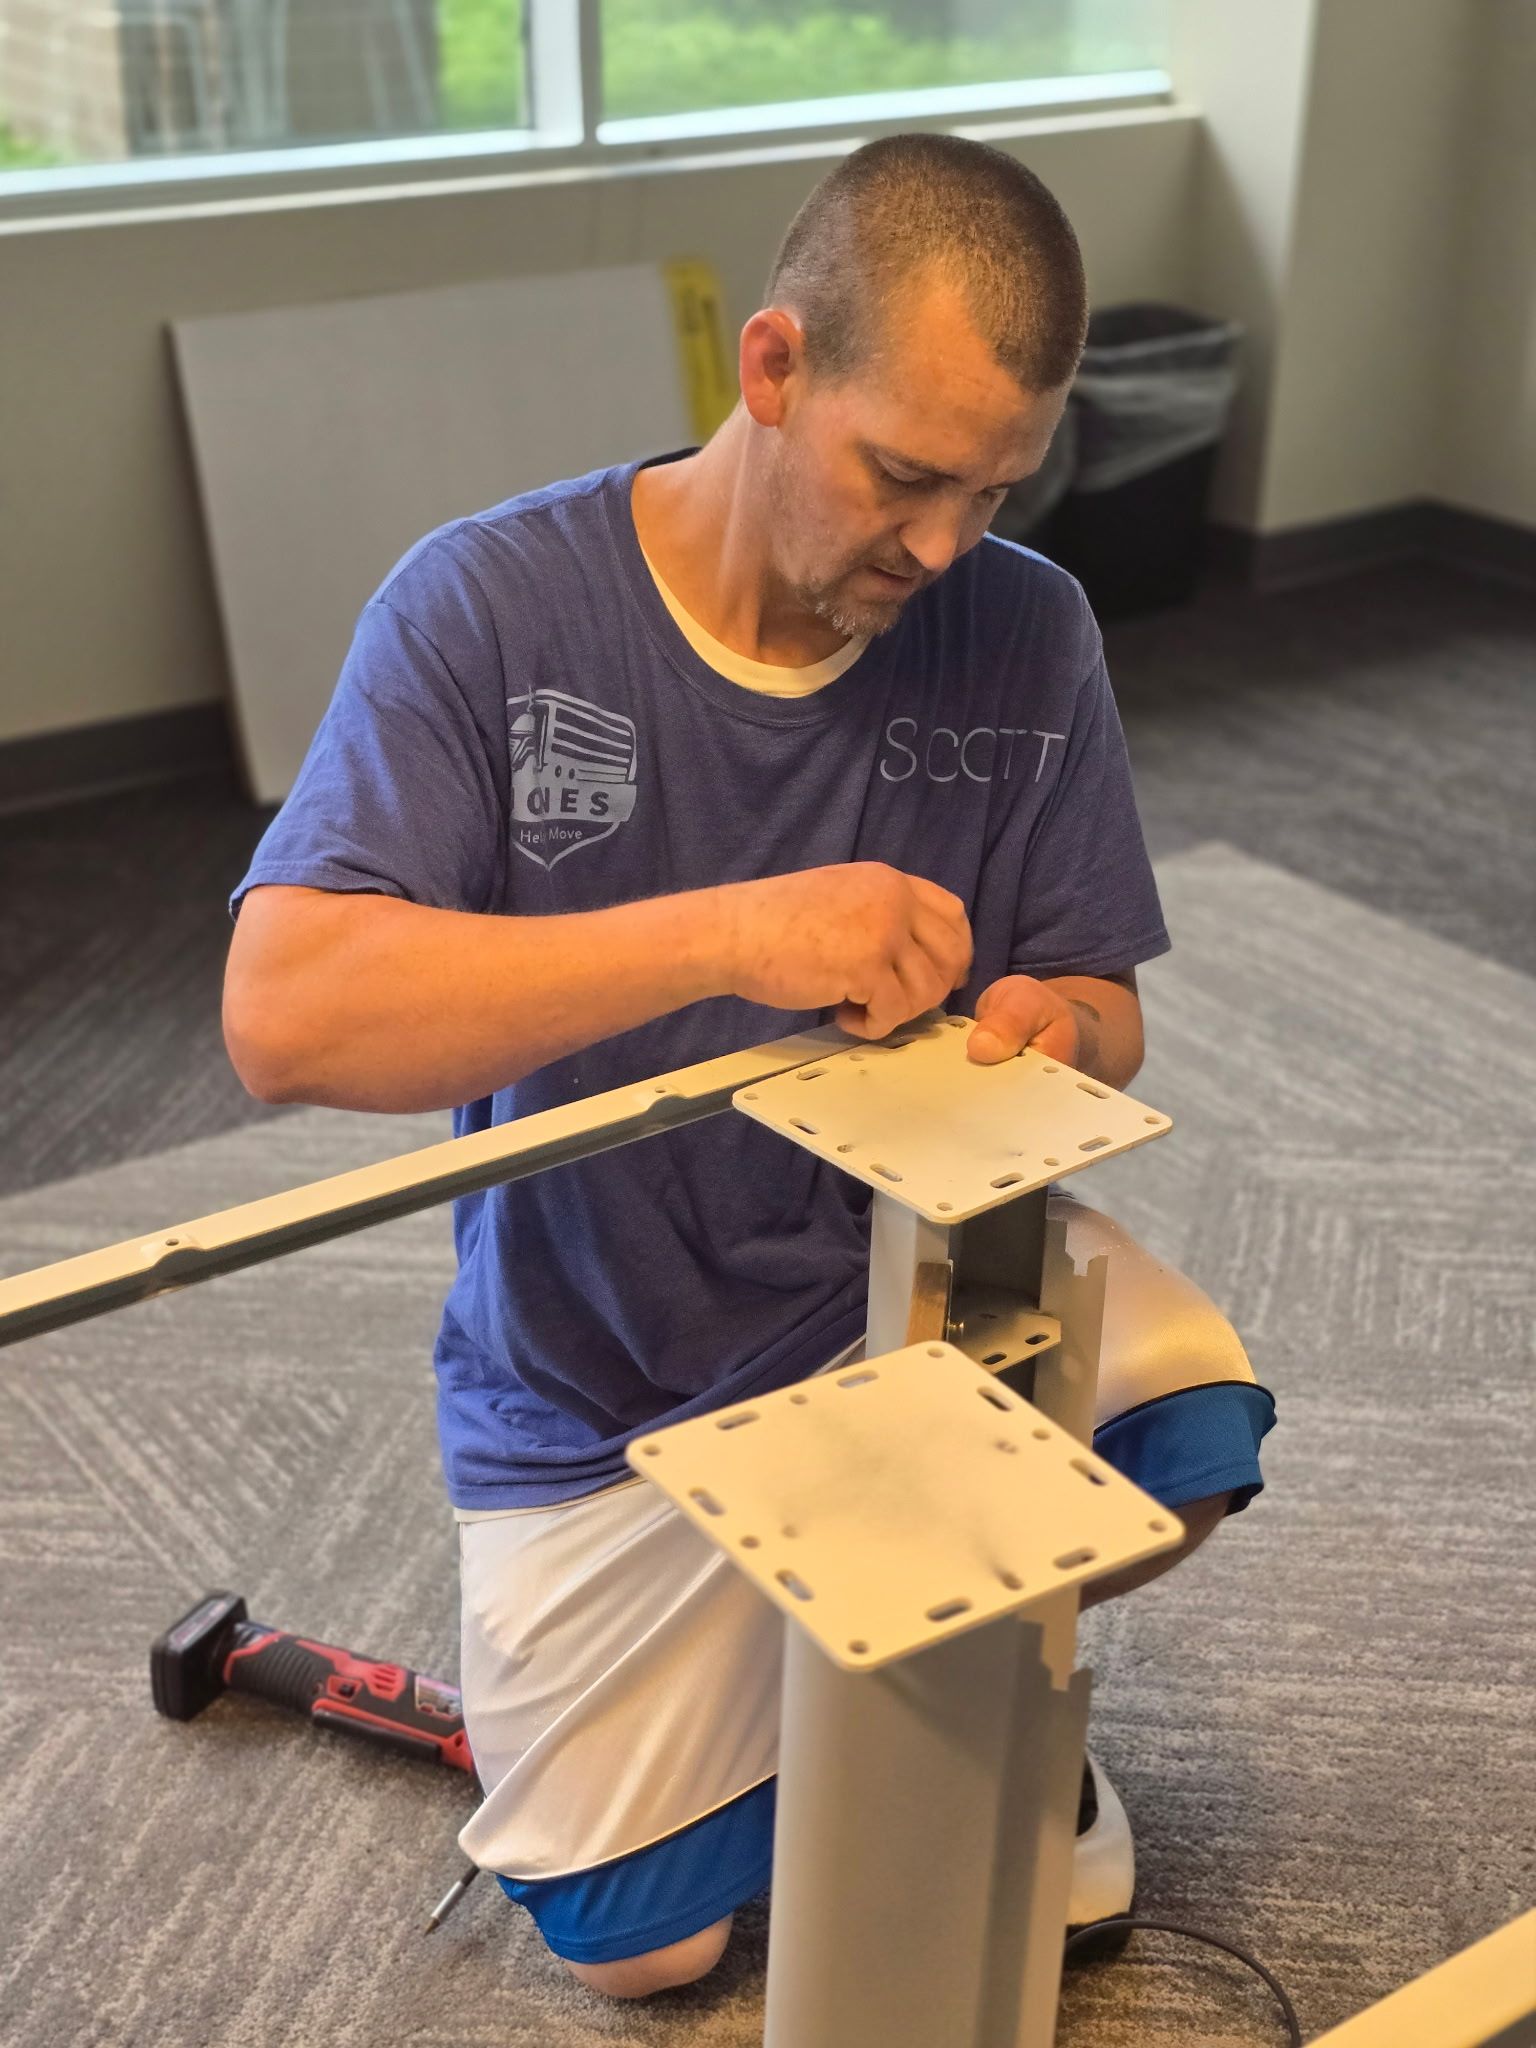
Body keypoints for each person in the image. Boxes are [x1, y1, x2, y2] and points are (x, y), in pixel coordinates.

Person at [224, 132, 1276, 1999]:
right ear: (772, 369)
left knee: (1187, 1449)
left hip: (901, 1306)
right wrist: (729, 932)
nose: (945, 545)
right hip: (597, 1373)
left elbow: (1105, 1002)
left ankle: (956, 1711)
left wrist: (1056, 1039)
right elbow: (285, 1015)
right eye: (907, 476)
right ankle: (860, 1716)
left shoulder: (1026, 624)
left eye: (999, 488)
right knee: (653, 1956)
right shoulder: (486, 607)